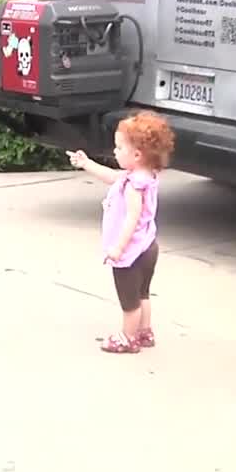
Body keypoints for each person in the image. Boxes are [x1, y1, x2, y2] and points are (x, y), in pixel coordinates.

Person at [68, 110, 175, 354]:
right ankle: (145, 331)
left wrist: (118, 247)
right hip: (149, 246)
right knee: (143, 293)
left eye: (118, 147)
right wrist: (87, 164)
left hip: (131, 252)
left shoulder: (133, 186)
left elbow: (132, 218)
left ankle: (128, 338)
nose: (114, 151)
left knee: (130, 302)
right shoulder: (143, 176)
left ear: (136, 155)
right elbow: (113, 178)